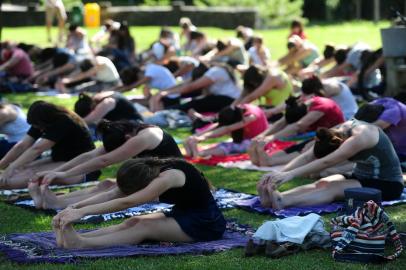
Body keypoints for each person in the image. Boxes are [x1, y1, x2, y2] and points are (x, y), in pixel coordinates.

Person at [51, 158, 226, 249]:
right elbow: (113, 193)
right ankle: (76, 239)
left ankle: (81, 243)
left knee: (143, 227)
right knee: (132, 222)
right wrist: (73, 208)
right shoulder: (146, 170)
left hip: (206, 223)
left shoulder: (168, 177)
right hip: (184, 213)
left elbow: (127, 201)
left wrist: (82, 213)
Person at [29, 120, 183, 210]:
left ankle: (57, 204)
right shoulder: (125, 133)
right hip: (155, 177)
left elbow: (104, 160)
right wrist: (56, 171)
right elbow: (90, 155)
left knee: (117, 190)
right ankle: (53, 200)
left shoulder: (144, 137)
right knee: (106, 184)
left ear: (128, 137)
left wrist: (64, 174)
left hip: (172, 185)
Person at [257, 121, 404, 209]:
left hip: (388, 184)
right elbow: (309, 155)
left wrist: (290, 175)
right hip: (361, 176)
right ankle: (277, 197)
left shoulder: (361, 137)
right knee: (323, 182)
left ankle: (283, 202)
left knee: (333, 188)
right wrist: (280, 174)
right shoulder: (338, 131)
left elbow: (326, 161)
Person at [0, 101, 97, 189]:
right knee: (22, 169)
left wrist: (10, 168)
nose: (40, 130)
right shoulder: (42, 121)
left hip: (82, 168)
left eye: (40, 127)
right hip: (61, 160)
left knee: (29, 175)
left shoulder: (64, 122)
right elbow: (22, 145)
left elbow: (37, 149)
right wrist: (2, 165)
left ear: (45, 120)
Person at [248, 95, 344, 166]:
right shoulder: (298, 106)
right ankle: (269, 159)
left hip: (335, 138)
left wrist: (271, 138)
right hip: (321, 135)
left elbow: (297, 126)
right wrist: (262, 136)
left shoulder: (320, 108)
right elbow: (281, 123)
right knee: (300, 146)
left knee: (308, 148)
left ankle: (271, 161)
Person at [184, 104, 269, 157]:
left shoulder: (250, 117)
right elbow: (220, 125)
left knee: (228, 147)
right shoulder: (238, 111)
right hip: (248, 139)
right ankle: (200, 153)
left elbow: (226, 128)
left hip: (260, 142)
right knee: (224, 145)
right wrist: (198, 135)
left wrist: (203, 137)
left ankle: (201, 154)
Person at [155, 63, 241, 115]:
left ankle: (165, 111)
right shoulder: (214, 70)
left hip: (228, 100)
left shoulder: (215, 72)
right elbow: (187, 84)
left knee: (194, 103)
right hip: (226, 99)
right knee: (193, 99)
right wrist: (165, 92)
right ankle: (166, 108)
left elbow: (192, 87)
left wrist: (166, 93)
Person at [354, 98, 406, 169]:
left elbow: (369, 129)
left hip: (401, 153)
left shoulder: (393, 111)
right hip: (392, 148)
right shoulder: (376, 103)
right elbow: (357, 120)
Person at [74, 92, 142, 126]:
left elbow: (87, 121)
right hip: (129, 123)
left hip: (134, 124)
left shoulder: (107, 102)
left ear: (91, 108)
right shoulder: (103, 95)